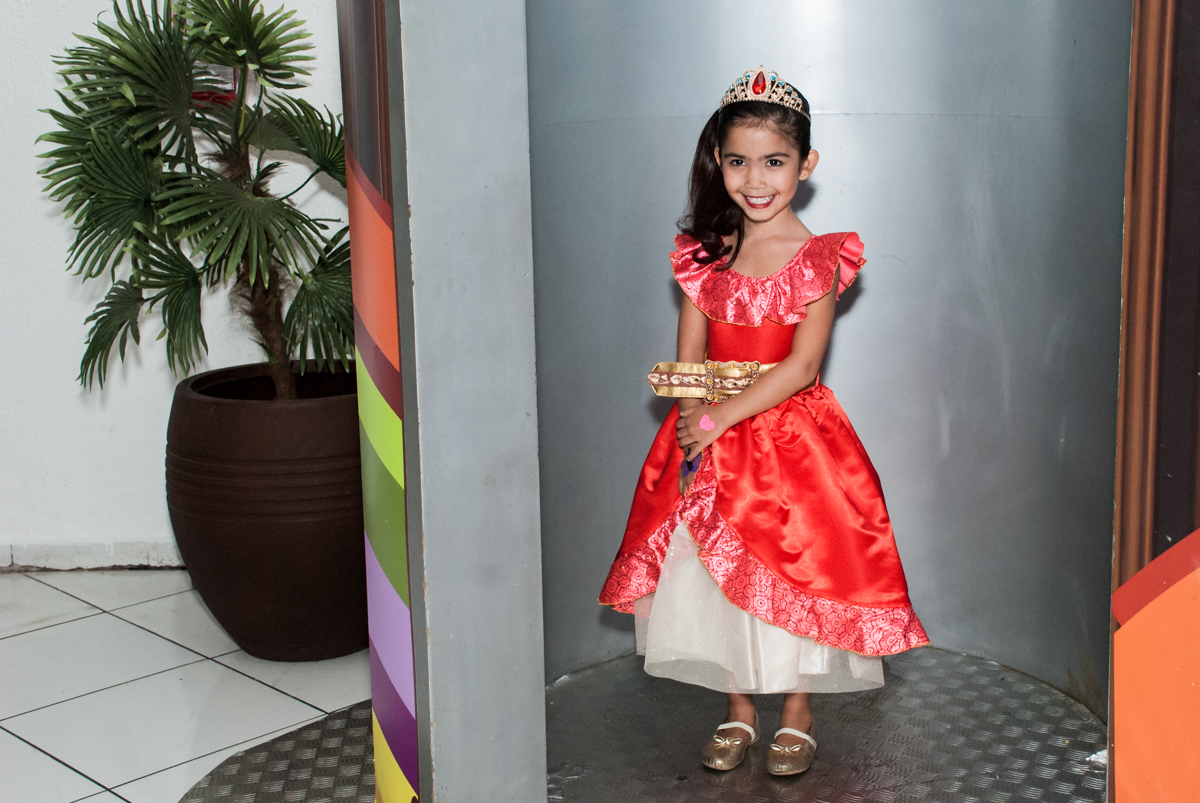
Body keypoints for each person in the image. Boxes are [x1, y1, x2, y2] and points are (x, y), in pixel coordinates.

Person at [599, 67, 929, 777]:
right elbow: (690, 355)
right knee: (718, 579)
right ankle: (739, 707)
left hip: (790, 441)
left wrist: (719, 417)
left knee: (795, 569)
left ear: (806, 166)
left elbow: (802, 367)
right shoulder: (706, 257)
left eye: (774, 162)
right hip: (711, 438)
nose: (756, 179)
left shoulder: (819, 261)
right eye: (739, 160)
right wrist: (692, 423)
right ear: (718, 162)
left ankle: (798, 711)